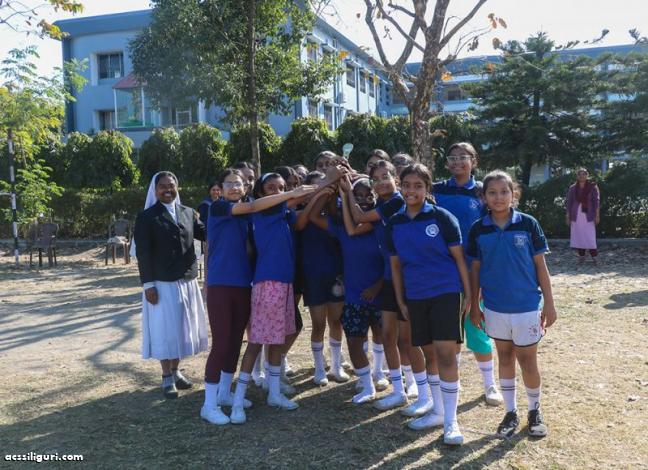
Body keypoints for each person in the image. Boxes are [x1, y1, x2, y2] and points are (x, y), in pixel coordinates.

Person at [202, 168, 316, 425]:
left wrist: (311, 192)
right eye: (229, 183)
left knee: (234, 341)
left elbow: (277, 213)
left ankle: (224, 393)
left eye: (239, 184)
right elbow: (256, 206)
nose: (234, 187)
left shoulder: (248, 215)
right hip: (222, 283)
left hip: (245, 283)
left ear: (245, 188)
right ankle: (208, 405)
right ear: (220, 188)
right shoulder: (219, 208)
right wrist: (292, 193)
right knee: (221, 343)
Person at [230, 173, 328, 424]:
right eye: (271, 188)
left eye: (282, 188)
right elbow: (297, 198)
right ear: (260, 193)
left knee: (277, 339)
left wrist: (324, 191)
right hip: (268, 283)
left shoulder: (284, 214)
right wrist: (326, 181)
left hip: (285, 283)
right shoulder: (262, 212)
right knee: (256, 343)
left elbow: (302, 217)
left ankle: (274, 393)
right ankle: (238, 400)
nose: (278, 191)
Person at [468, 170, 557, 438]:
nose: (498, 197)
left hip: (526, 306)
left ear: (513, 194)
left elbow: (541, 266)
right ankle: (510, 412)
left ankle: (534, 411)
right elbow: (475, 271)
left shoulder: (528, 224)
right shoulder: (478, 229)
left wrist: (549, 303)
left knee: (528, 361)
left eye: (504, 191)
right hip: (495, 307)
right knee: (505, 357)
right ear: (484, 197)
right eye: (492, 193)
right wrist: (474, 306)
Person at [387, 163, 471, 445]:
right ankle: (437, 411)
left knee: (446, 354)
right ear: (400, 186)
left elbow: (459, 260)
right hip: (415, 295)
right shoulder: (394, 223)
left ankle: (451, 421)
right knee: (429, 354)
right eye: (407, 185)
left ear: (427, 188)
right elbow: (396, 267)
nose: (412, 191)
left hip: (446, 291)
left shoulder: (442, 217)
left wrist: (469, 295)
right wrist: (401, 299)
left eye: (418, 186)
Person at [345, 160, 432, 416]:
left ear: (396, 179)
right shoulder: (381, 206)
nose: (382, 182)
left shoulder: (396, 202)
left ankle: (422, 392)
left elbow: (358, 217)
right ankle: (398, 390)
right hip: (388, 278)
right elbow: (353, 228)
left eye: (386, 176)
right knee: (388, 337)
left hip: (407, 279)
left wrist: (347, 190)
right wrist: (348, 186)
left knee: (409, 339)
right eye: (376, 179)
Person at [433, 142, 503, 407]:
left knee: (476, 326)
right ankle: (454, 382)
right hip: (444, 271)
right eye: (452, 157)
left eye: (463, 157)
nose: (457, 162)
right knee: (450, 330)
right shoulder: (437, 189)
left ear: (474, 161)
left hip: (475, 269)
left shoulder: (482, 192)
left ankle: (489, 384)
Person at [134, 171, 208, 400]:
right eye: (163, 186)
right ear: (155, 190)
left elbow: (206, 233)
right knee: (165, 330)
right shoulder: (147, 217)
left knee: (183, 329)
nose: (168, 190)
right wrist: (148, 285)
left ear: (177, 187)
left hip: (187, 280)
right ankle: (166, 376)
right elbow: (143, 254)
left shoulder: (188, 213)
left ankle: (176, 371)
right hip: (161, 283)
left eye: (171, 185)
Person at [309, 177, 385, 404]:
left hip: (381, 293)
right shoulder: (342, 227)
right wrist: (330, 188)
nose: (363, 199)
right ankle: (366, 384)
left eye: (368, 195)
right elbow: (314, 216)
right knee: (354, 340)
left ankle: (379, 372)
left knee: (381, 335)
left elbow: (393, 263)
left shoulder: (382, 225)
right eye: (357, 195)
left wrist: (377, 286)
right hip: (354, 295)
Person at [299, 171, 349, 385]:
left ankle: (336, 366)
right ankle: (319, 368)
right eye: (316, 187)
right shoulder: (301, 213)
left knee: (336, 321)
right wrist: (321, 192)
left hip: (336, 274)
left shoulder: (337, 212)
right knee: (318, 324)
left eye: (326, 186)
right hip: (313, 275)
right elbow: (302, 222)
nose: (323, 190)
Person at [566, 168, 600, 264]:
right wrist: (567, 216)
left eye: (584, 174)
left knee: (589, 235)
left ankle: (594, 256)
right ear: (577, 176)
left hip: (589, 215)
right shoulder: (573, 188)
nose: (582, 176)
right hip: (576, 215)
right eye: (579, 174)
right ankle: (581, 256)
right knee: (579, 235)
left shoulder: (592, 187)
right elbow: (569, 202)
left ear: (587, 175)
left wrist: (597, 215)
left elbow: (596, 202)